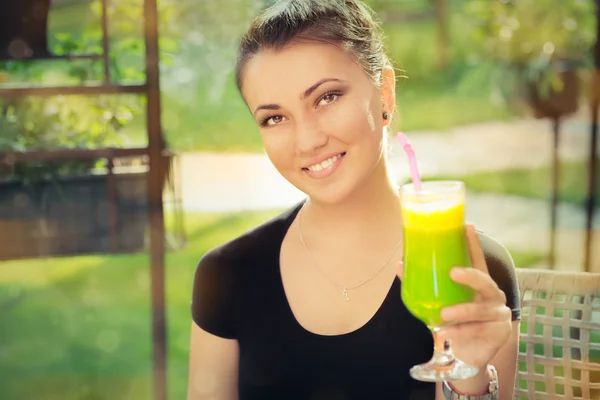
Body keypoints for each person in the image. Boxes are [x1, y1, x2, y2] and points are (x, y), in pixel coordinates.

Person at [187, 1, 521, 399]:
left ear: (385, 92)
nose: (308, 140)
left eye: (326, 97)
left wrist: (469, 379)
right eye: (274, 118)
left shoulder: (472, 274)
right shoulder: (226, 275)